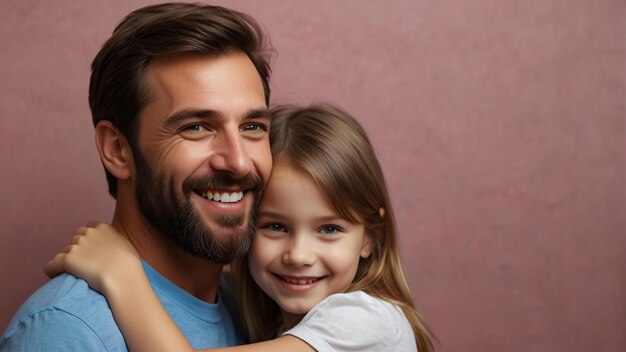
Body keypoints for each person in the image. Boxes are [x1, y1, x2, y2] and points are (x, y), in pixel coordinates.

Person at [45, 104, 436, 351]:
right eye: (276, 227)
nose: (299, 255)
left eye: (329, 230)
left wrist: (121, 273)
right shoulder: (254, 316)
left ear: (371, 236)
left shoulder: (367, 323)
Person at [1, 3, 273, 350]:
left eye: (252, 127)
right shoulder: (66, 329)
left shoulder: (258, 308)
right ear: (117, 149)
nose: (238, 162)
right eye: (196, 127)